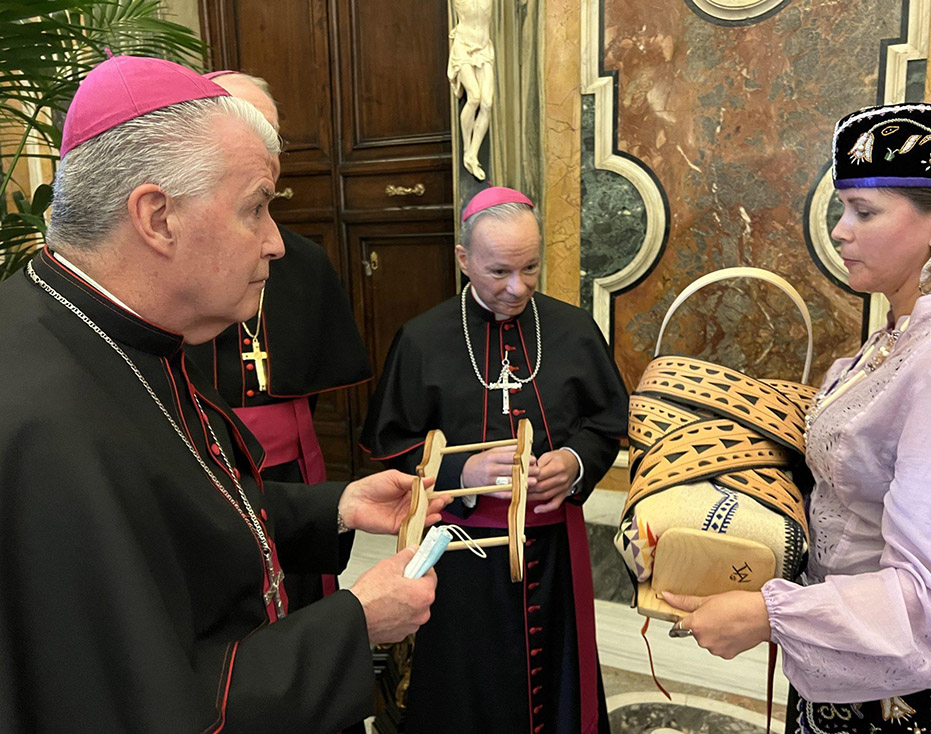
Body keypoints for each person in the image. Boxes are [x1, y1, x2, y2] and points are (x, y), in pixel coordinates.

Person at [0, 55, 450, 733]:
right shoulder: (46, 424)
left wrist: (334, 506)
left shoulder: (122, 335)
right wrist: (353, 624)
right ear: (158, 218)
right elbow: (145, 710)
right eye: (257, 208)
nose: (275, 243)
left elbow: (180, 520)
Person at [662, 103, 931, 733]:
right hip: (850, 649)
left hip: (911, 694)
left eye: (864, 212)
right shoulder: (900, 334)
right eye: (843, 208)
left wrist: (768, 615)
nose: (840, 231)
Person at [361, 186, 628, 734]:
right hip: (460, 557)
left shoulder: (573, 329)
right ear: (464, 260)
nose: (517, 288)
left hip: (555, 552)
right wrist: (460, 472)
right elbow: (389, 444)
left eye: (531, 268)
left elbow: (608, 421)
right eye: (499, 271)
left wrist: (575, 462)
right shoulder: (422, 339)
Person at [187, 70, 372, 612]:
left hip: (292, 464)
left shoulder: (303, 260)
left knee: (299, 591)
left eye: (272, 137)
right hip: (209, 459)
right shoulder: (178, 269)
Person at [448, 0, 495, 181]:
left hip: (483, 48)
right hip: (463, 47)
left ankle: (472, 154)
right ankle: (467, 149)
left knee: (487, 103)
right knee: (474, 97)